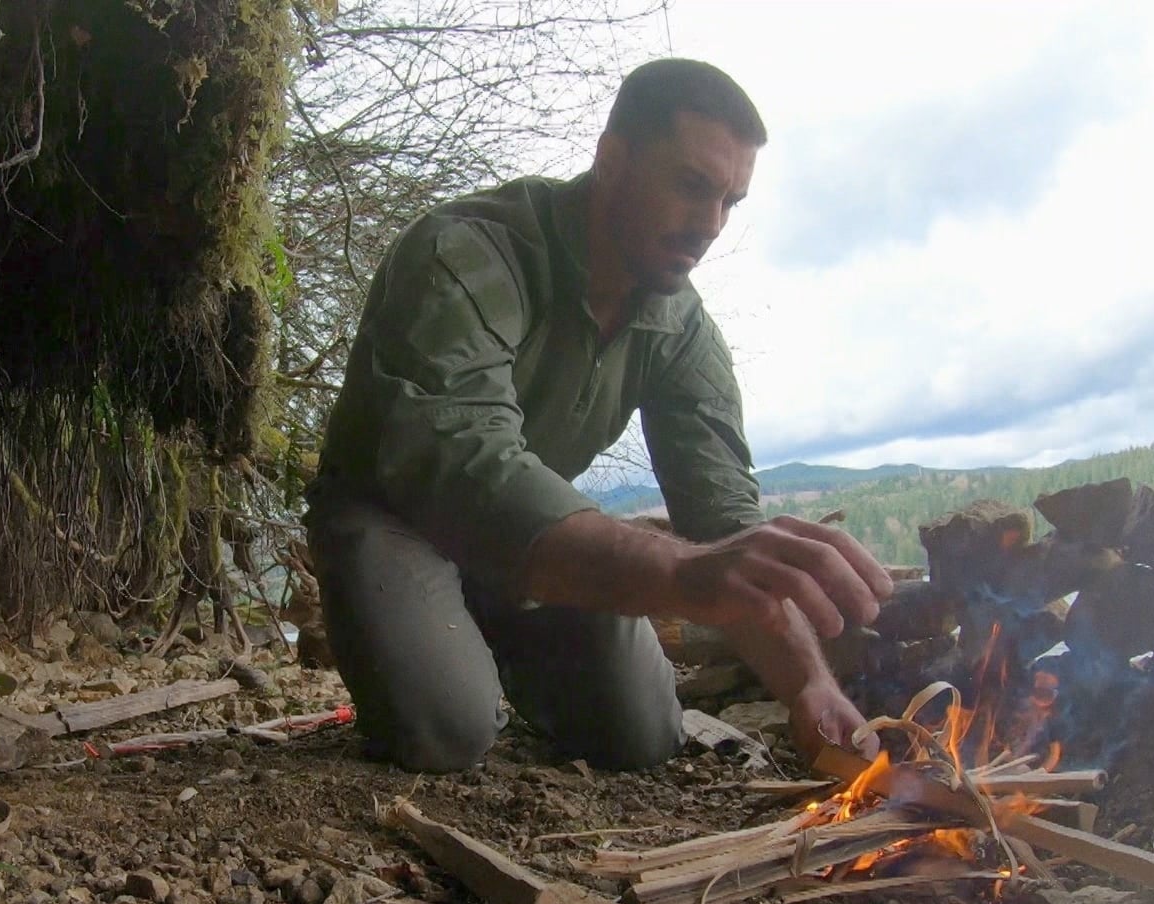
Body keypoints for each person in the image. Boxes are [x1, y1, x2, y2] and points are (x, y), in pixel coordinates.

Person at [303, 57, 891, 773]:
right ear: (612, 159)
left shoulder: (682, 327)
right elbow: (465, 471)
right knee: (447, 729)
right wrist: (681, 573)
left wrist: (810, 688)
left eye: (730, 202)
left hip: (538, 546)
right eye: (691, 186)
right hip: (397, 515)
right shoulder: (464, 253)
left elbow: (727, 524)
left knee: (641, 733)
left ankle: (491, 638)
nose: (710, 226)